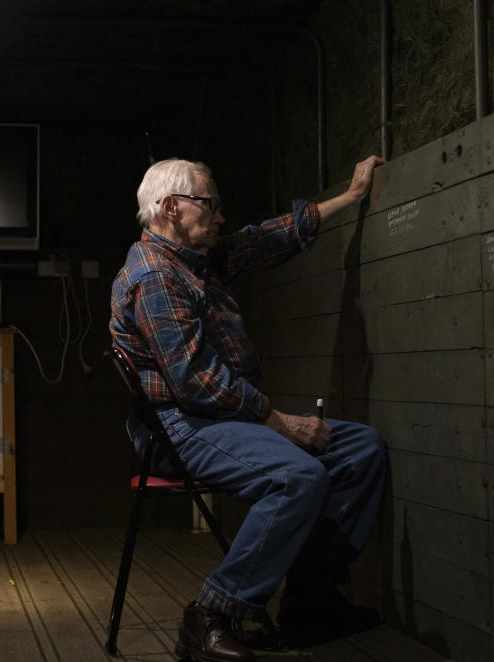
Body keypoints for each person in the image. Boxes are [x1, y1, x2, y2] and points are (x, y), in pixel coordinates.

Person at [110, 154, 387, 662]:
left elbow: (261, 240)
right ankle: (210, 616)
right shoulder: (155, 276)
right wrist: (282, 424)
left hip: (218, 416)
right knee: (297, 477)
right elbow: (195, 383)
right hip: (178, 427)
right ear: (171, 206)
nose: (219, 217)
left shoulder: (194, 260)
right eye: (209, 205)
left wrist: (349, 198)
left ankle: (309, 602)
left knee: (360, 449)